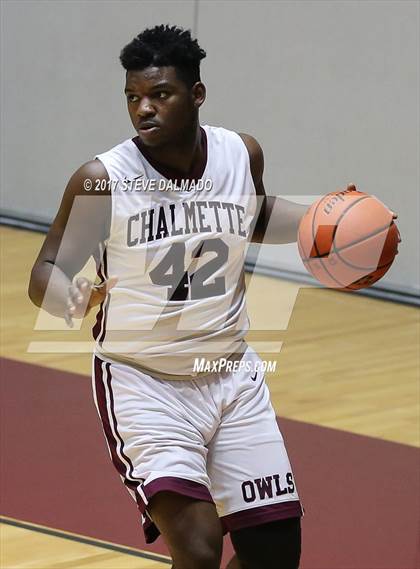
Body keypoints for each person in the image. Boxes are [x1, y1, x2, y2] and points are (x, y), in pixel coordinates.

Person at [29, 24, 310, 569]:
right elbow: (44, 269)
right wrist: (70, 293)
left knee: (275, 550)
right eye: (133, 97)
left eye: (161, 94)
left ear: (196, 94)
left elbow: (253, 213)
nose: (143, 109)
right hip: (143, 382)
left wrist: (327, 224)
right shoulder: (101, 179)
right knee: (201, 546)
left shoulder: (239, 152)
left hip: (231, 376)